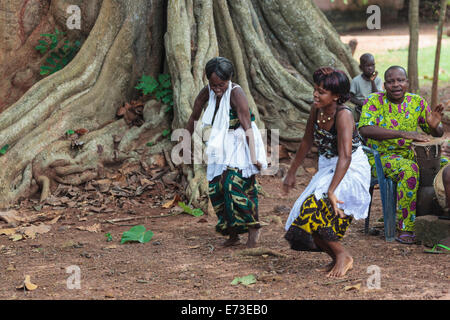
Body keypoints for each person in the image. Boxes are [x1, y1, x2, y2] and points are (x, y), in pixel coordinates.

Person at [283, 67, 371, 278]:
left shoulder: (344, 115)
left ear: (336, 96)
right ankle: (335, 258)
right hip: (328, 167)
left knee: (316, 210)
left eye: (322, 92)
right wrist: (291, 173)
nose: (316, 94)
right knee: (306, 216)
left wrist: (332, 190)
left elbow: (346, 156)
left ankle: (343, 256)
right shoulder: (317, 109)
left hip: (350, 169)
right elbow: (306, 141)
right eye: (316, 89)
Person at [358, 65, 446, 245]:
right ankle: (405, 227)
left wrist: (435, 125)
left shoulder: (417, 102)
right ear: (385, 85)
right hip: (380, 158)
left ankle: (441, 213)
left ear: (407, 82)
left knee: (444, 165)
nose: (396, 85)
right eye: (390, 81)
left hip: (409, 154)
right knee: (409, 169)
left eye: (400, 80)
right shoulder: (373, 101)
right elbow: (365, 129)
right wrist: (403, 133)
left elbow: (437, 133)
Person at [186, 57, 267, 248]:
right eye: (213, 85)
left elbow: (247, 127)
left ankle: (253, 228)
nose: (216, 89)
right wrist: (185, 141)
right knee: (216, 189)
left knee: (233, 185)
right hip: (220, 143)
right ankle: (232, 233)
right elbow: (194, 116)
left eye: (221, 84)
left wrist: (254, 157)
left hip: (241, 143)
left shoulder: (236, 94)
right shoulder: (208, 92)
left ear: (229, 79)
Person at [349, 53, 383, 121]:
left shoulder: (378, 80)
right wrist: (363, 104)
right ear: (361, 68)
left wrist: (372, 81)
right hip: (360, 107)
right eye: (367, 66)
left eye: (372, 65)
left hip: (375, 105)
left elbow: (376, 95)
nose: (370, 68)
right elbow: (351, 97)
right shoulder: (356, 80)